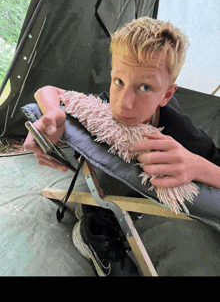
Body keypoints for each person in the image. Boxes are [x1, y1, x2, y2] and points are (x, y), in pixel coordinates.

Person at [24, 17, 220, 276]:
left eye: (145, 87)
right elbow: (48, 91)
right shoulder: (105, 107)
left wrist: (197, 166)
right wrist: (51, 116)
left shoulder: (183, 133)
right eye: (119, 81)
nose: (124, 104)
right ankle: (96, 222)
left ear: (167, 95)